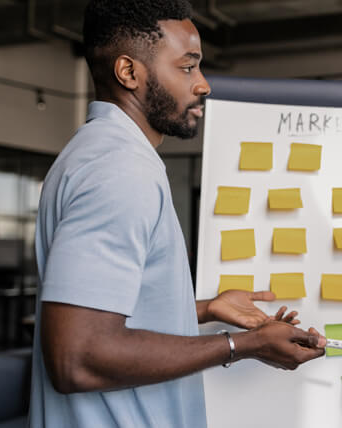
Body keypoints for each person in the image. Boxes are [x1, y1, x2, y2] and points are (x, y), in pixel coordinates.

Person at [28, 1, 326, 427]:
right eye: (187, 67)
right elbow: (76, 358)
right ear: (129, 72)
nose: (203, 84)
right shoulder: (119, 170)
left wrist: (203, 309)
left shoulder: (96, 154)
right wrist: (244, 345)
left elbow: (102, 311)